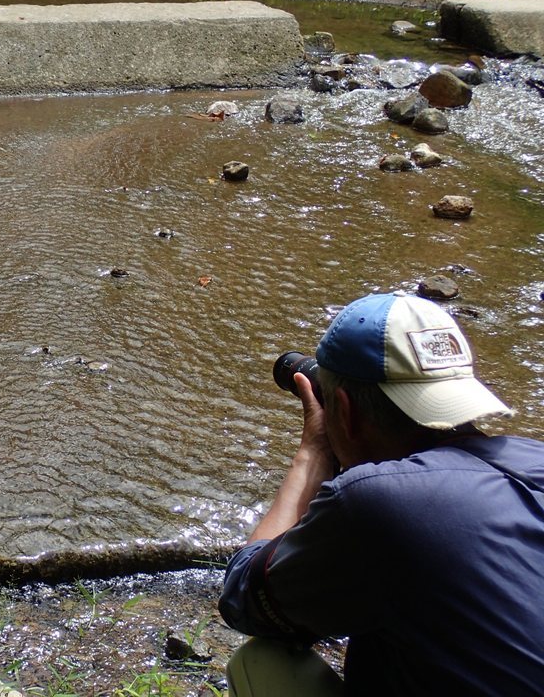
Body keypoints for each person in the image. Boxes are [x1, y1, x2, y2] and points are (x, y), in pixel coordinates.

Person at [218, 291, 544, 696]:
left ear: (344, 409)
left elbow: (242, 597)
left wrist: (315, 452)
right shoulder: (534, 460)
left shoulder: (376, 501)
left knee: (263, 661)